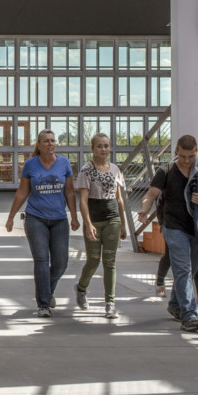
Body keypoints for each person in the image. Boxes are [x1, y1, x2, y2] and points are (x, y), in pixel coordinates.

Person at [136, 135, 198, 333]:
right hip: (173, 226)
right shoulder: (165, 171)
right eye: (183, 156)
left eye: (191, 156)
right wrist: (144, 210)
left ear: (197, 151)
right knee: (183, 270)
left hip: (197, 226)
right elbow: (150, 195)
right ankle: (189, 315)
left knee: (189, 270)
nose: (187, 161)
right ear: (176, 152)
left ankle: (175, 305)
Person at [5, 129, 78, 317]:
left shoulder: (64, 163)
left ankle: (48, 291)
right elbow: (22, 192)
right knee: (42, 261)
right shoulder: (30, 165)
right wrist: (11, 216)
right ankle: (43, 304)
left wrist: (75, 216)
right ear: (39, 144)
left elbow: (69, 191)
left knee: (61, 263)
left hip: (59, 219)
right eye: (46, 141)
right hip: (35, 218)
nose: (50, 144)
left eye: (53, 141)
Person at [74, 133, 126, 319]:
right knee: (94, 260)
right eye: (99, 146)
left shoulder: (115, 170)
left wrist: (123, 225)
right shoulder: (86, 170)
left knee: (109, 262)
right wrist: (87, 224)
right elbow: (83, 201)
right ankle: (81, 288)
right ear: (92, 148)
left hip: (112, 218)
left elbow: (119, 199)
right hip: (94, 220)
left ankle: (110, 303)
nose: (103, 149)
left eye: (106, 145)